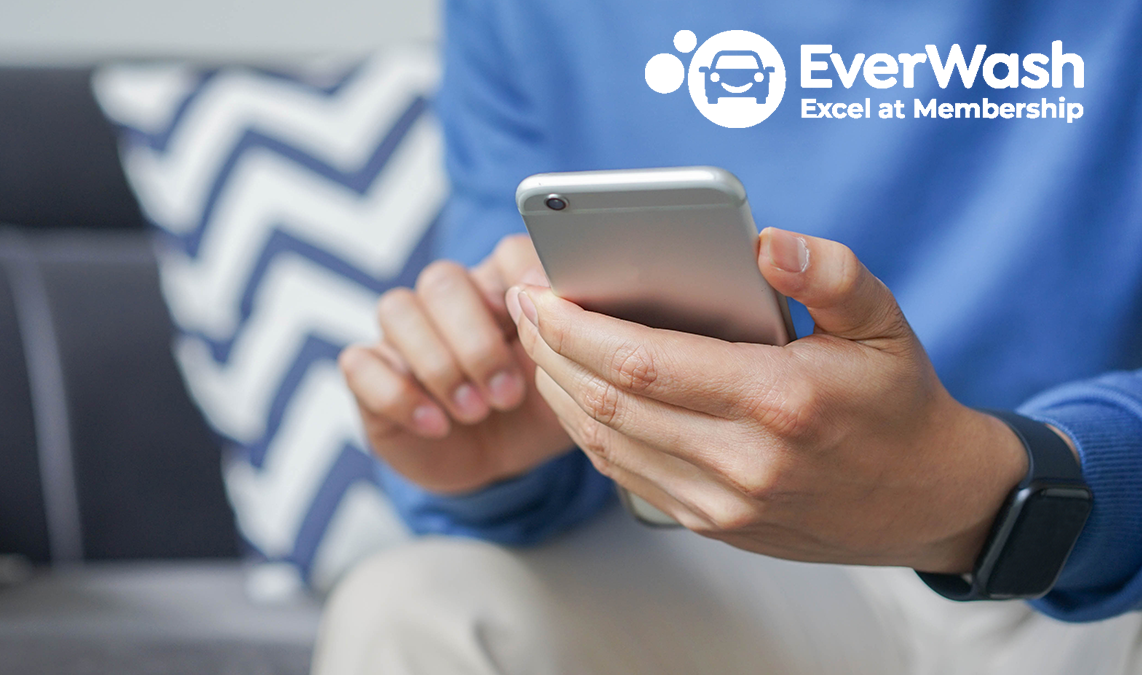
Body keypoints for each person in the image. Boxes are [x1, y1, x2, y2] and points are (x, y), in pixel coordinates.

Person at [315, 0, 1142, 672]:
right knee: (409, 611)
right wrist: (502, 444)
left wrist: (983, 487)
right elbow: (501, 338)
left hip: (1096, 567)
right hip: (749, 571)